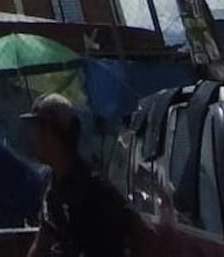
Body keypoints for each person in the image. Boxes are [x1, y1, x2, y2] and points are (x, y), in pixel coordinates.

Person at [22, 94, 148, 257]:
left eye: (38, 127)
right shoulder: (53, 189)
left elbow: (131, 232)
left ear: (54, 132)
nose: (34, 137)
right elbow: (41, 244)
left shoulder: (94, 192)